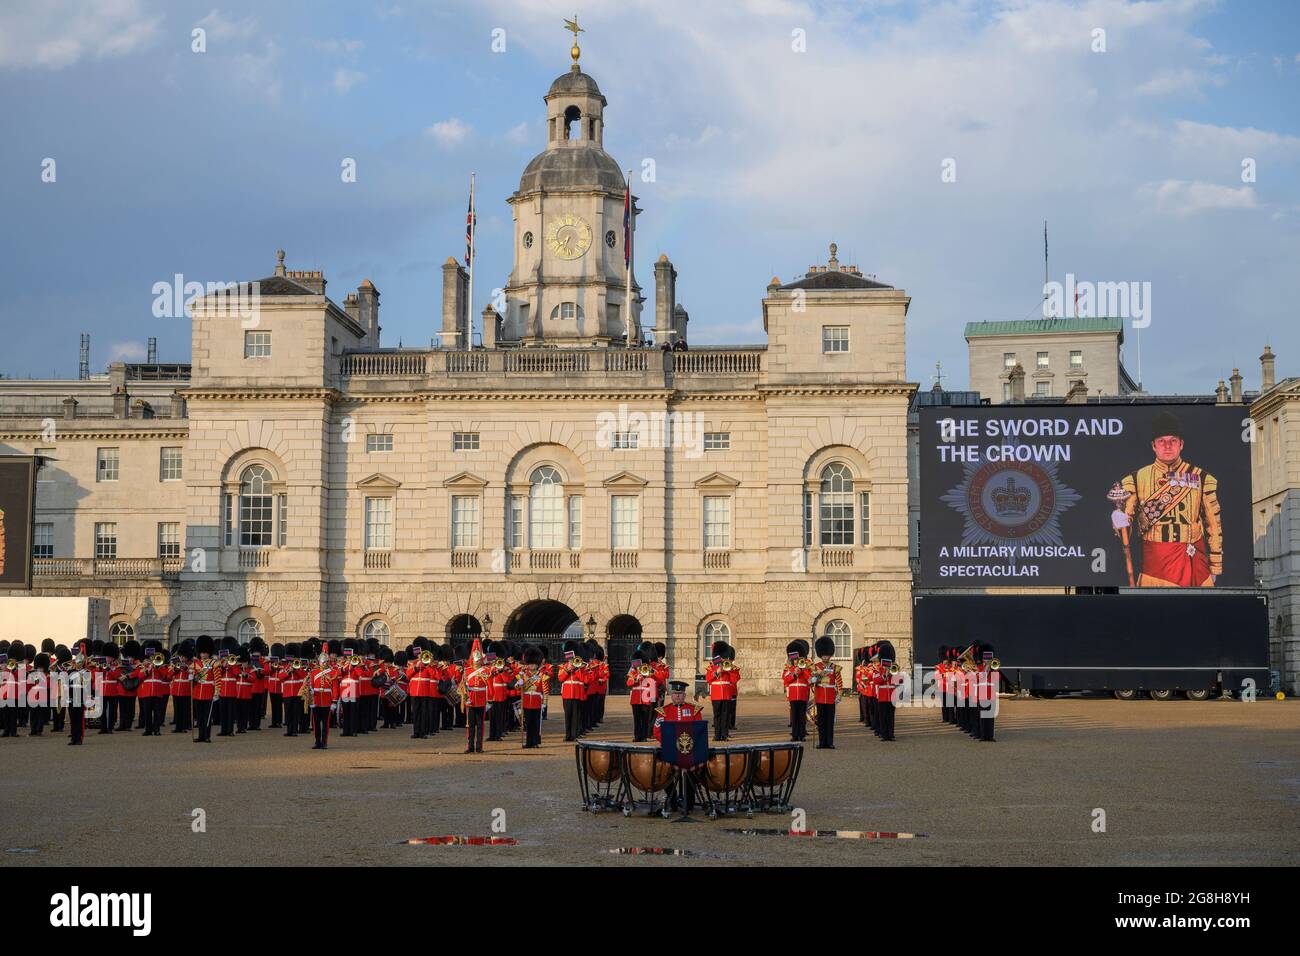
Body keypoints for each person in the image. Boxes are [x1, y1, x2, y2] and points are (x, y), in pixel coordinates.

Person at [1112, 410, 1223, 588]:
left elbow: (1213, 524)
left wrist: (1215, 565)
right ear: (1153, 446)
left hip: (1195, 562)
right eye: (1161, 442)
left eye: (1173, 441)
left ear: (1181, 444)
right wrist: (1120, 523)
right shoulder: (1135, 479)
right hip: (1156, 567)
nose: (1167, 446)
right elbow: (1127, 527)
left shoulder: (1201, 478)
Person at [810, 636, 842, 749]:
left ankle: (830, 742)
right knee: (821, 722)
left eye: (827, 655)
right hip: (820, 697)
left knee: (830, 722)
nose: (825, 656)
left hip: (830, 697)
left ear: (830, 655)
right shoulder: (816, 667)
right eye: (823, 655)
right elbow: (811, 681)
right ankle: (822, 742)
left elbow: (839, 682)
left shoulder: (835, 667)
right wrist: (814, 679)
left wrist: (839, 694)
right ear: (820, 654)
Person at [516, 646, 548, 748]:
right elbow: (517, 688)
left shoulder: (542, 675)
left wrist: (544, 704)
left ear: (537, 664)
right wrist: (519, 683)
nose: (531, 666)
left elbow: (546, 691)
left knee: (536, 724)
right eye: (530, 664)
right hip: (526, 701)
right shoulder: (523, 675)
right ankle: (529, 742)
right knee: (528, 723)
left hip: (537, 701)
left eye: (533, 664)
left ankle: (535, 742)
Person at [462, 640, 490, 753]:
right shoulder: (467, 671)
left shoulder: (485, 670)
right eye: (475, 659)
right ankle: (470, 746)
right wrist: (466, 698)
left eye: (479, 659)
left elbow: (488, 684)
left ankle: (479, 747)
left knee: (480, 725)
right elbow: (463, 686)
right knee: (470, 725)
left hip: (481, 698)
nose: (477, 661)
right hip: (471, 698)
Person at [557, 641, 587, 743]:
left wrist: (577, 669)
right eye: (569, 658)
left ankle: (574, 735)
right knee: (567, 715)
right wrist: (567, 670)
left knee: (576, 715)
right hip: (566, 694)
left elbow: (585, 679)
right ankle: (567, 735)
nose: (570, 660)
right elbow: (560, 678)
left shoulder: (581, 667)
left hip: (577, 693)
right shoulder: (563, 666)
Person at [782, 641, 811, 742]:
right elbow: (785, 679)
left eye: (797, 660)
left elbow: (809, 678)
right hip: (794, 695)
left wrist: (803, 670)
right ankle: (795, 735)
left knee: (802, 716)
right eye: (794, 660)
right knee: (794, 716)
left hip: (803, 695)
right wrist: (794, 674)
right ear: (792, 660)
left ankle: (802, 735)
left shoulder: (806, 669)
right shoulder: (789, 669)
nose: (796, 662)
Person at [308, 652, 337, 750]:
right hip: (316, 700)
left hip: (327, 700)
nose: (324, 663)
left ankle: (324, 742)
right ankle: (317, 742)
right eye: (322, 662)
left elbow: (335, 688)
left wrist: (334, 701)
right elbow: (310, 686)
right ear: (319, 662)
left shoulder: (332, 672)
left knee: (325, 724)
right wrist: (311, 696)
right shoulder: (313, 672)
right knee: (316, 724)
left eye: (325, 662)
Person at [705, 643, 733, 742]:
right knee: (716, 715)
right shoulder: (711, 666)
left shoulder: (727, 664)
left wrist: (729, 669)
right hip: (716, 694)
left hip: (726, 694)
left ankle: (724, 734)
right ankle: (717, 735)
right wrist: (716, 672)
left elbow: (735, 678)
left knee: (725, 715)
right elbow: (708, 679)